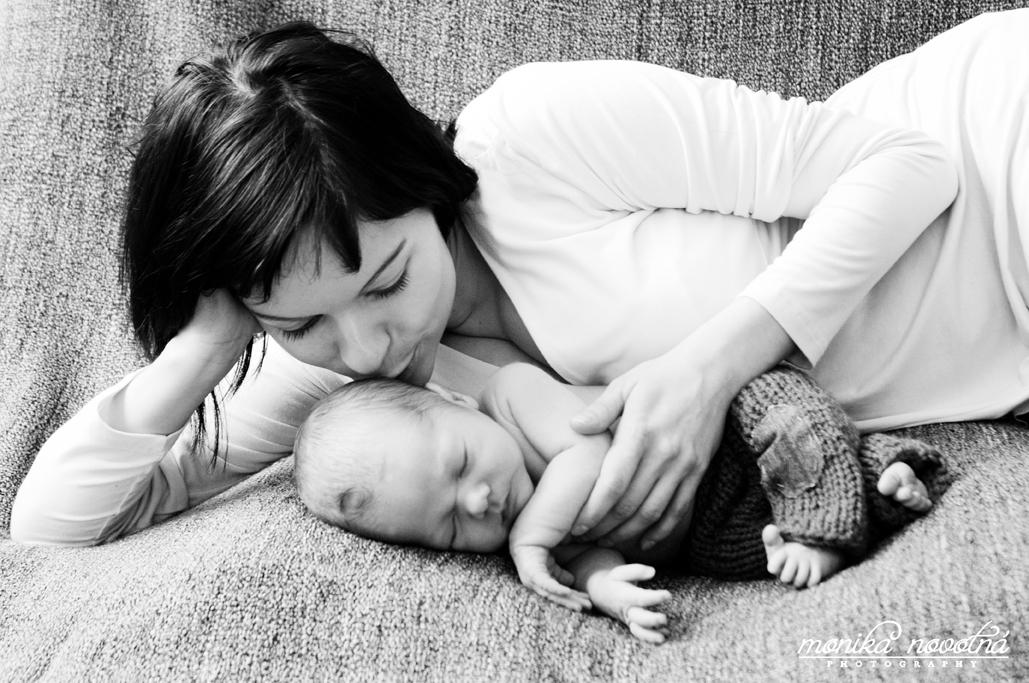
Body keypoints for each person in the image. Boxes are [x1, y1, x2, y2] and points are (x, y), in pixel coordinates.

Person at [9, 11, 1025, 548]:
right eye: (302, 323)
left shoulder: (530, 139)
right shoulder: (344, 383)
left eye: (389, 279)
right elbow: (54, 527)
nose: (369, 347)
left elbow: (911, 164)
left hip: (998, 162)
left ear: (418, 180)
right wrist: (205, 348)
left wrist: (709, 371)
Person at [293, 363, 948, 643]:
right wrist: (607, 588)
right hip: (706, 524)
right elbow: (590, 557)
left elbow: (589, 454)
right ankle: (882, 481)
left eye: (462, 462)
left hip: (728, 433)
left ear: (455, 402)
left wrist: (531, 540)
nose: (480, 500)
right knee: (749, 550)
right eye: (449, 526)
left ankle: (826, 524)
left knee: (786, 421)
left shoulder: (514, 397)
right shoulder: (524, 536)